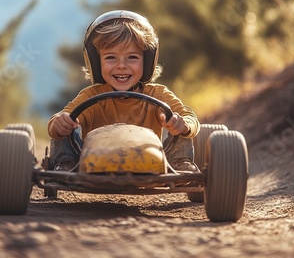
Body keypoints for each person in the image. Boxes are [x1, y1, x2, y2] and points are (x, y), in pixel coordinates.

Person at [47, 10, 200, 173]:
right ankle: (66, 163)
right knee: (62, 123)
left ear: (147, 61)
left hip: (149, 161)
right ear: (96, 63)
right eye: (111, 57)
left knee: (182, 127)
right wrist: (60, 123)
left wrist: (182, 125)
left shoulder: (158, 94)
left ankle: (180, 162)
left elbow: (190, 118)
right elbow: (58, 122)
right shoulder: (91, 96)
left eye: (132, 57)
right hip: (94, 162)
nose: (121, 65)